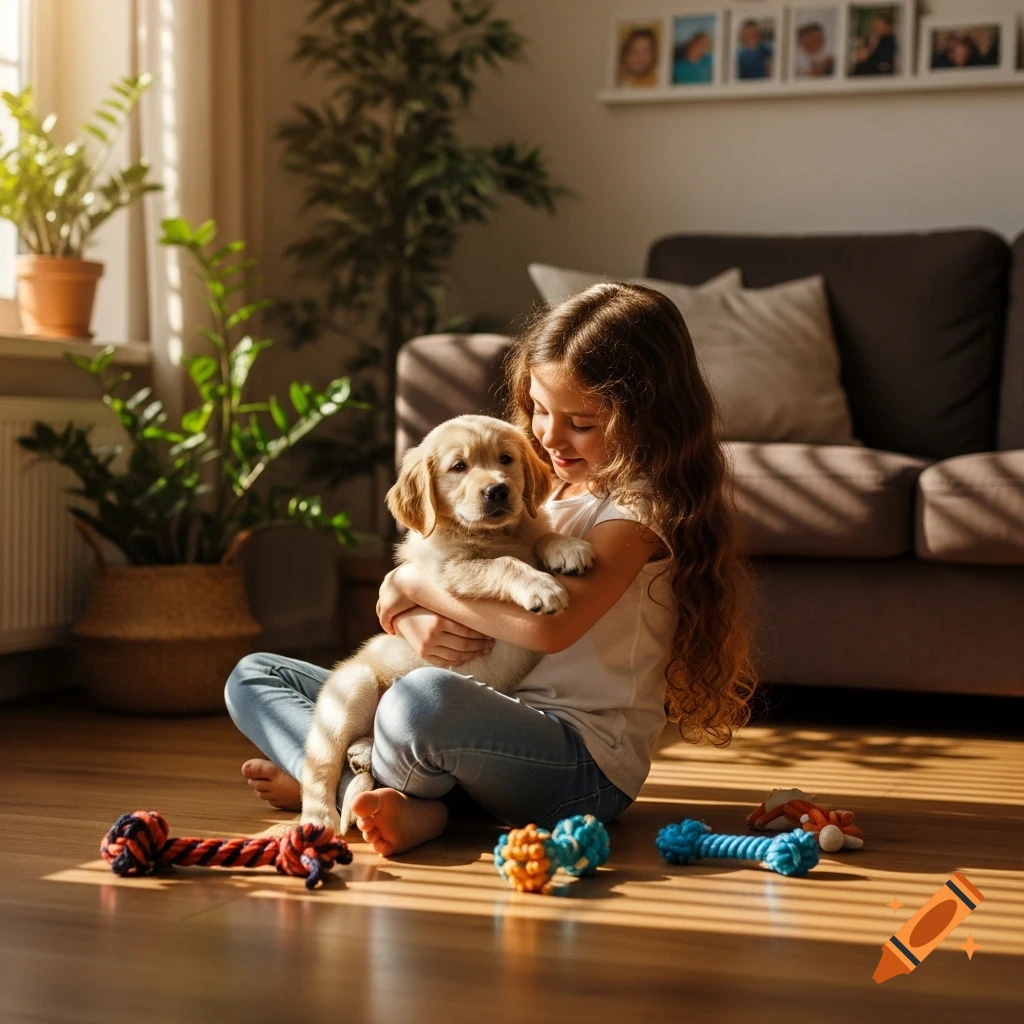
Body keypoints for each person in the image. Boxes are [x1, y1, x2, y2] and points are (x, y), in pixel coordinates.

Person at [224, 283, 758, 857]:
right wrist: (407, 620)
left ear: (647, 418)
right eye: (540, 410)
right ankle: (375, 790)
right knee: (253, 676)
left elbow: (551, 627)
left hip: (577, 766)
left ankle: (358, 785)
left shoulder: (640, 513)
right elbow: (442, 598)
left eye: (581, 421)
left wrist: (411, 584)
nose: (550, 437)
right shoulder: (540, 495)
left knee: (422, 701)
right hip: (481, 717)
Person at [851, 11, 897, 76]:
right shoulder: (874, 40)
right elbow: (860, 58)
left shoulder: (891, 41)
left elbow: (885, 66)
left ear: (887, 25)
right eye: (874, 24)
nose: (875, 27)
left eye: (878, 24)